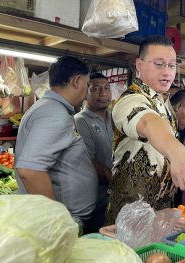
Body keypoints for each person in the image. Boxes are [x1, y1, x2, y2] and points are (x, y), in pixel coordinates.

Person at [106, 35, 185, 224]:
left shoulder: (164, 102)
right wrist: (178, 153)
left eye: (172, 65)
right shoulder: (129, 100)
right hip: (130, 219)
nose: (167, 72)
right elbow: (149, 123)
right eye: (159, 64)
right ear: (139, 65)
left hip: (161, 214)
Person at [14, 56, 98, 230]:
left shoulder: (50, 108)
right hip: (63, 222)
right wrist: (56, 221)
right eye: (87, 85)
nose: (86, 93)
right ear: (77, 81)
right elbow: (30, 170)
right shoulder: (54, 114)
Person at [74, 72, 113, 232]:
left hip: (114, 194)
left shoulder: (115, 117)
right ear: (85, 92)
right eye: (95, 89)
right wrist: (112, 178)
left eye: (106, 88)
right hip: (95, 196)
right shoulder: (80, 120)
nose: (103, 94)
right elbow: (86, 159)